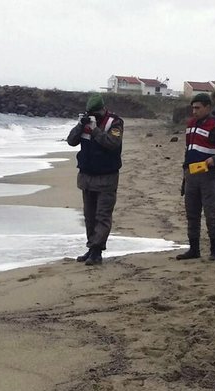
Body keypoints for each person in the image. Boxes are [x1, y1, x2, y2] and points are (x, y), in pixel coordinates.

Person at [175, 92, 215, 261]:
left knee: (211, 212)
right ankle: (194, 249)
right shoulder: (190, 124)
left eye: (198, 108)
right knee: (192, 214)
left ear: (207, 107)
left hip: (209, 175)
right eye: (193, 108)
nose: (194, 111)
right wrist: (185, 174)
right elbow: (189, 150)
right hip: (191, 174)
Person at [66, 93, 123, 266]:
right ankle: (91, 248)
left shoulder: (115, 123)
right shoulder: (84, 122)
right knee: (89, 216)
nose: (92, 116)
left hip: (107, 176)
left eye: (95, 113)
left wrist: (95, 129)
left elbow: (113, 143)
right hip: (87, 176)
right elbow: (71, 141)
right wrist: (80, 126)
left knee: (102, 215)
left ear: (102, 109)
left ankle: (97, 251)